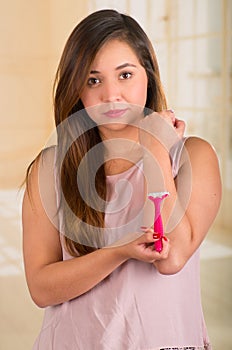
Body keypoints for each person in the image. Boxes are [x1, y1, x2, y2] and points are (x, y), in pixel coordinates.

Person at [22, 9, 221, 350]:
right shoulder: (51, 168)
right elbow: (41, 288)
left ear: (149, 76)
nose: (111, 95)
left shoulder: (193, 157)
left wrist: (155, 149)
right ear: (77, 89)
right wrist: (118, 252)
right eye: (93, 80)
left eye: (125, 75)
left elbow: (171, 258)